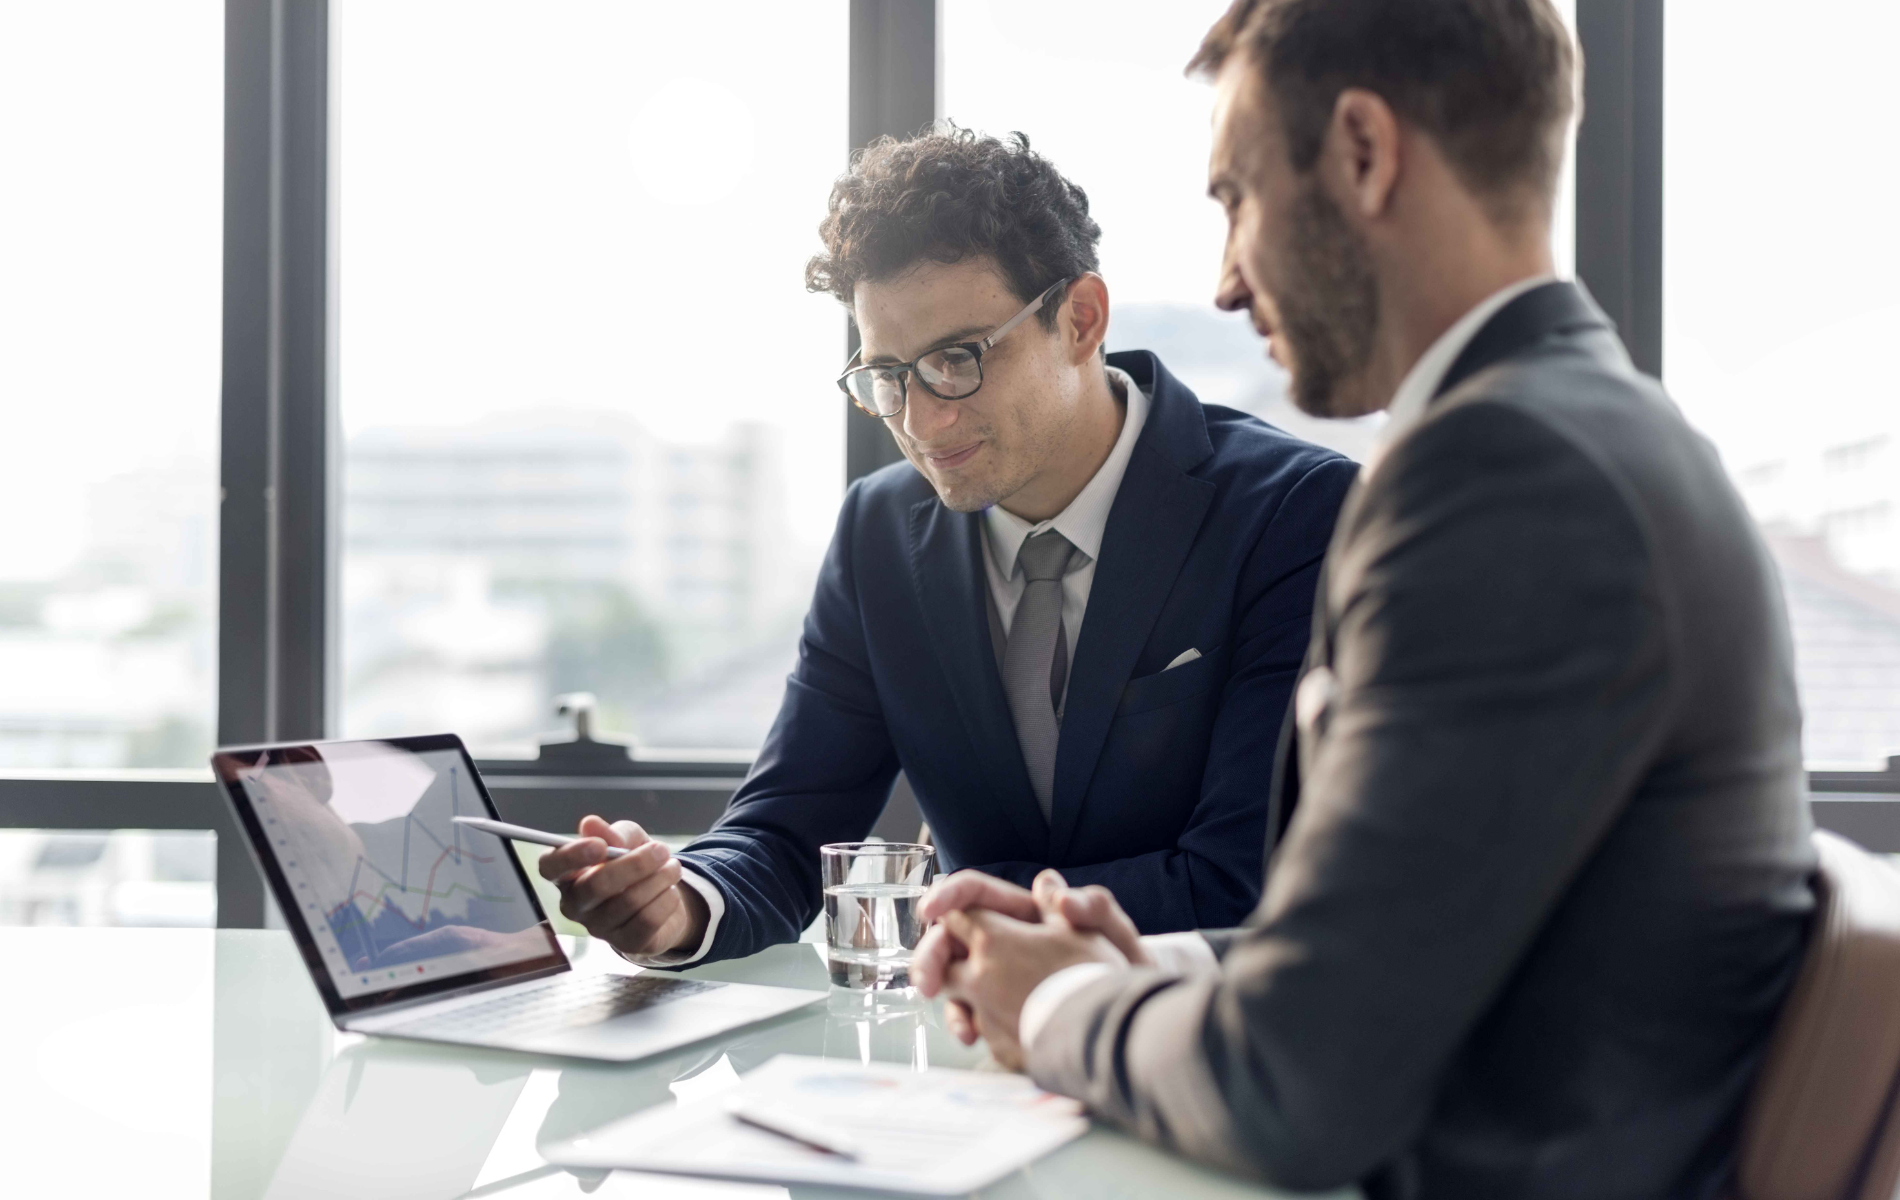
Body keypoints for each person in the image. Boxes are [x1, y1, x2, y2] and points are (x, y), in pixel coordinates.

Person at [912, 2, 1817, 1197]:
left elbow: (1299, 1086)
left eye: (1234, 197)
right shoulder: (1577, 431)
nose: (1226, 282)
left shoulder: (1506, 479)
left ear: (1362, 152)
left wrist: (1062, 1002)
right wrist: (1146, 963)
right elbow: (1411, 946)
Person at [537, 128, 1356, 967]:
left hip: (1199, 1045)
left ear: (1080, 319)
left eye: (958, 360)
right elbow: (785, 828)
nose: (924, 422)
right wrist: (678, 903)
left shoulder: (1295, 516)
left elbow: (1244, 882)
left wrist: (958, 912)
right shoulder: (878, 533)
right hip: (961, 1054)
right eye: (888, 375)